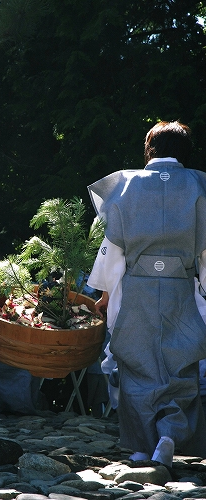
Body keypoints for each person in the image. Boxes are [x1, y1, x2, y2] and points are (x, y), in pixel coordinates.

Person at [87, 121, 206, 466]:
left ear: (149, 149)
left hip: (137, 285)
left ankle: (142, 445)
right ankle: (169, 435)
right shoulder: (200, 186)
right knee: (180, 366)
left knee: (137, 365)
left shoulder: (126, 186)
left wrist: (107, 292)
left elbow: (113, 250)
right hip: (182, 286)